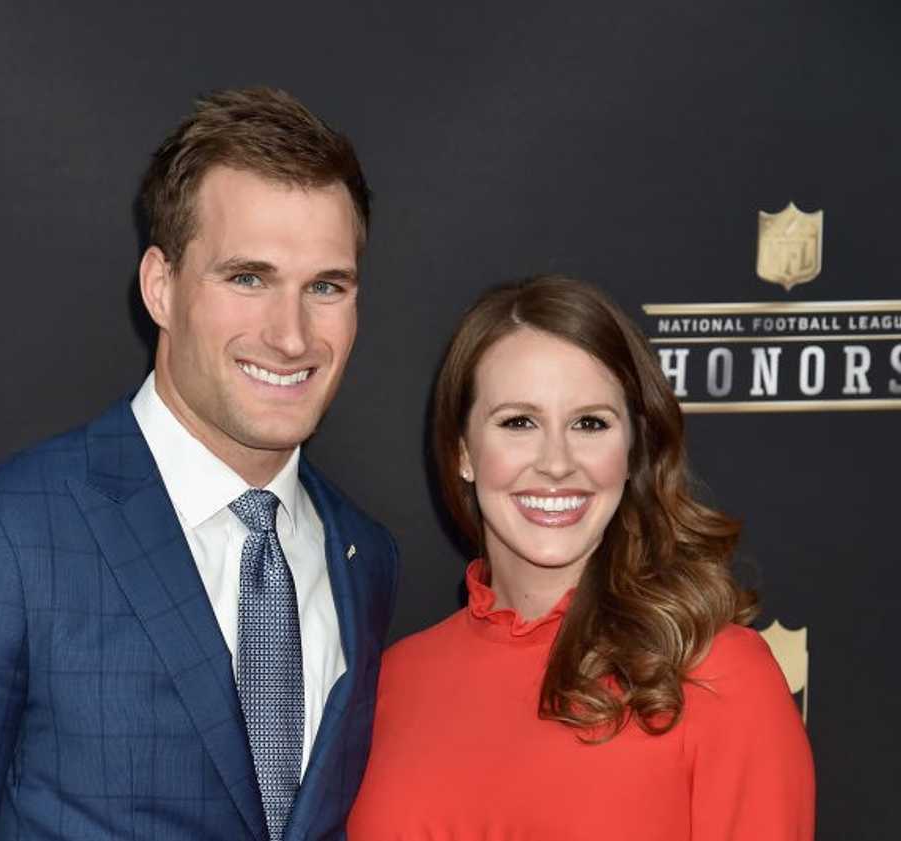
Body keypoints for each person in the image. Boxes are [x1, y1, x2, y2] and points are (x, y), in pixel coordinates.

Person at [0, 87, 398, 841]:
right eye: (247, 277)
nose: (292, 335)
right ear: (160, 286)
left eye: (326, 287)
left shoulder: (363, 555)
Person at [347, 276, 813, 840]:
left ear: (632, 448)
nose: (557, 462)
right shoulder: (394, 680)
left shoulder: (718, 674)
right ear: (463, 452)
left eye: (589, 423)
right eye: (519, 422)